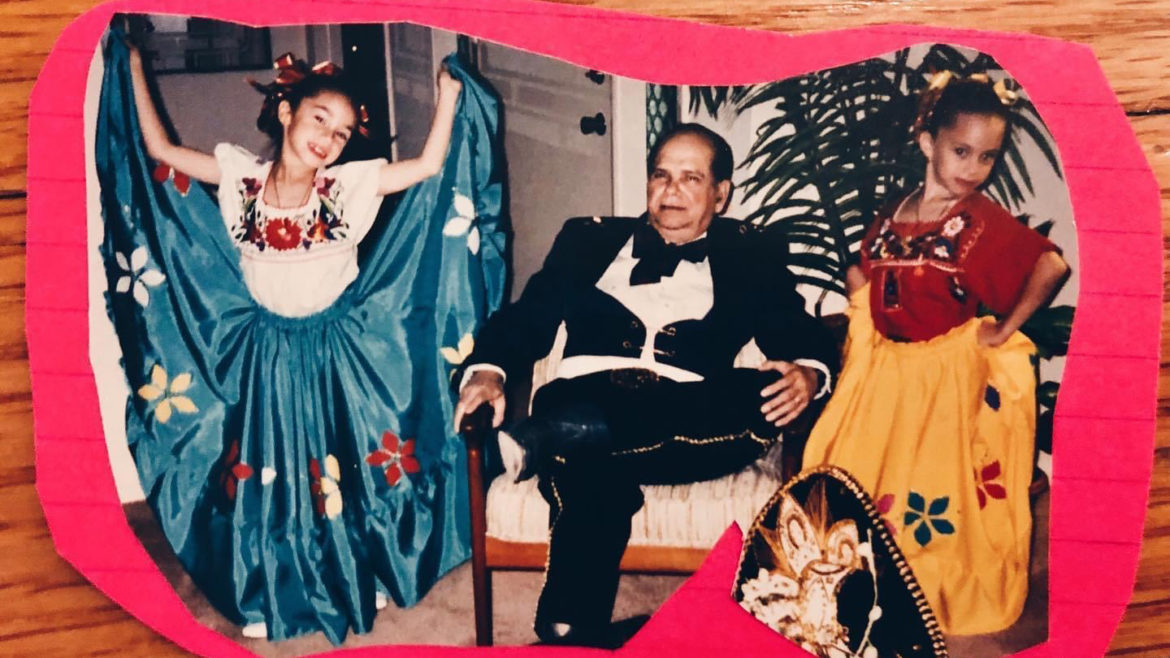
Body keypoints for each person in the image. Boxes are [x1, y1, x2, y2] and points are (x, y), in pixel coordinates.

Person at [97, 30, 505, 643]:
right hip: (265, 352)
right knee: (271, 475)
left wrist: (447, 93)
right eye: (320, 118)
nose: (329, 138)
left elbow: (426, 166)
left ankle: (354, 569)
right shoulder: (240, 178)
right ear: (286, 113)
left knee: (339, 465)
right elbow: (160, 147)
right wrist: (130, 64)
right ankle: (268, 588)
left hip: (335, 350)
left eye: (342, 132)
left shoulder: (348, 187)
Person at [454, 123, 838, 647]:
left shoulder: (751, 253)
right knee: (590, 457)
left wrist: (809, 372)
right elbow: (529, 317)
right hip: (586, 390)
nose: (671, 190)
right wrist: (486, 369)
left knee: (752, 394)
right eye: (661, 176)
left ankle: (556, 444)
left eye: (690, 178)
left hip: (692, 417)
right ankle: (576, 635)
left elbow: (796, 328)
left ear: (720, 194)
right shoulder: (586, 239)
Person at [801, 72, 1070, 635]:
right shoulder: (891, 215)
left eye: (987, 157)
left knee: (934, 493)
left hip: (944, 379)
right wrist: (858, 289)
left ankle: (931, 599)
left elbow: (1051, 264)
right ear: (928, 142)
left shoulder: (978, 222)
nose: (972, 169)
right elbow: (865, 272)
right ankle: (861, 590)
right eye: (961, 151)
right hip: (886, 376)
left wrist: (1001, 330)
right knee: (858, 471)